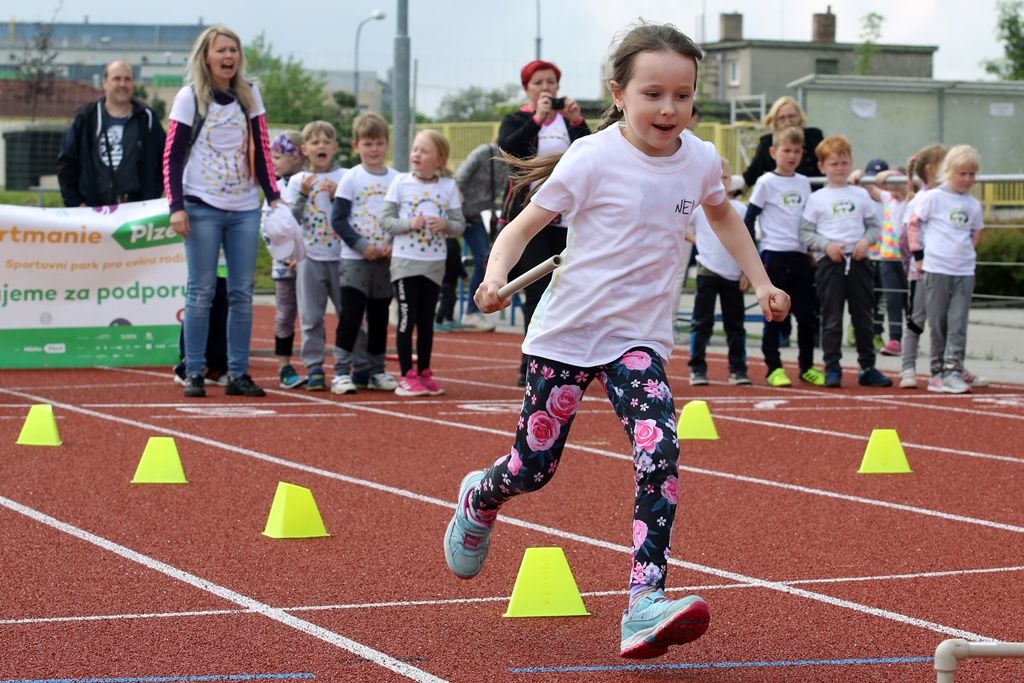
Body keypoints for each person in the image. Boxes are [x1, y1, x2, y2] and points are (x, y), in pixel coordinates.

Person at [443, 23, 790, 660]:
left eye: (683, 96)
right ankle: (480, 497)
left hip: (637, 341)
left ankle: (643, 602)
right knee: (533, 469)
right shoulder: (591, 156)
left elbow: (722, 215)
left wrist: (762, 279)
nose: (669, 109)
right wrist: (494, 278)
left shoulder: (702, 159)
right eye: (653, 93)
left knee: (661, 449)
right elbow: (519, 230)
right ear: (619, 94)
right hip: (567, 337)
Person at [164, 26, 280, 399]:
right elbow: (172, 156)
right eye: (221, 51)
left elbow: (262, 148)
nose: (229, 57)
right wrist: (176, 206)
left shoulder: (249, 95)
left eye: (234, 50)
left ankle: (238, 373)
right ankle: (194, 371)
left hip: (244, 208)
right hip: (201, 208)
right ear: (207, 57)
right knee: (200, 291)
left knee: (242, 293)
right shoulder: (189, 98)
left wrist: (274, 197)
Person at [499, 59, 591, 385]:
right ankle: (531, 362)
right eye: (538, 83)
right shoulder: (517, 120)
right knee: (536, 289)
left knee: (571, 288)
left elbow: (593, 153)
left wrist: (578, 121)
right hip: (532, 217)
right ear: (527, 88)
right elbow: (509, 149)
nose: (546, 88)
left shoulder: (569, 123)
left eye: (551, 82)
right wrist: (538, 119)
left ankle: (570, 360)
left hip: (570, 220)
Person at [799, 135, 892, 388]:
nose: (839, 168)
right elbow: (806, 233)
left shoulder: (860, 195)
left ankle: (867, 366)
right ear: (822, 167)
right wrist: (826, 246)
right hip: (831, 263)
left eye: (844, 162)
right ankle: (832, 367)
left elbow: (875, 227)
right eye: (834, 163)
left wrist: (865, 242)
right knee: (831, 318)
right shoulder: (817, 198)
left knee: (863, 316)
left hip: (860, 262)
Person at [381, 129, 466, 397]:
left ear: (439, 159)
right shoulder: (401, 183)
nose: (416, 154)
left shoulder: (448, 187)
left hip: (434, 263)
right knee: (408, 317)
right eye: (415, 149)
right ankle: (407, 375)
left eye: (424, 150)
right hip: (406, 261)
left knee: (427, 321)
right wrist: (409, 224)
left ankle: (425, 372)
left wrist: (445, 225)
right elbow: (385, 221)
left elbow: (459, 225)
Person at [744, 126, 822, 387]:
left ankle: (807, 366)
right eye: (786, 150)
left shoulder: (803, 182)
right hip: (774, 254)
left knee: (807, 316)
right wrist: (750, 258)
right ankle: (774, 368)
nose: (791, 156)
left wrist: (811, 250)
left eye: (797, 151)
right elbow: (750, 217)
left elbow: (808, 220)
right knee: (775, 314)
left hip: (799, 255)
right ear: (774, 152)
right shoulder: (766, 182)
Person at [331, 111, 400, 394]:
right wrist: (362, 246)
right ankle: (340, 372)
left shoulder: (397, 179)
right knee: (351, 316)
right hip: (354, 261)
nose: (374, 149)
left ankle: (376, 370)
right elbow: (338, 219)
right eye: (368, 144)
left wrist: (392, 245)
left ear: (387, 144)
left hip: (385, 261)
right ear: (356, 146)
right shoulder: (351, 178)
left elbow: (401, 216)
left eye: (379, 143)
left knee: (380, 319)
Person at [907, 145, 984, 394]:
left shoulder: (973, 204)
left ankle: (953, 369)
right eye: (962, 173)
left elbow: (976, 233)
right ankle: (937, 371)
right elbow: (914, 225)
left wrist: (965, 254)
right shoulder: (934, 198)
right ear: (948, 171)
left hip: (964, 271)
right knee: (938, 321)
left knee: (958, 322)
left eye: (972, 174)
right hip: (937, 269)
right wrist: (919, 256)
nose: (968, 179)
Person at [280, 120, 348, 392]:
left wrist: (336, 198)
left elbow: (352, 217)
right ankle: (315, 366)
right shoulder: (297, 181)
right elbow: (289, 221)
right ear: (304, 149)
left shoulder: (346, 177)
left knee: (350, 315)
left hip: (343, 257)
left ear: (335, 147)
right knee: (311, 317)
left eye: (326, 141)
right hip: (310, 257)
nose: (321, 146)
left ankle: (349, 365)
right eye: (315, 142)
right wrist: (303, 196)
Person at [57, 60, 166, 208]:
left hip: (138, 214)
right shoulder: (87, 118)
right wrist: (75, 203)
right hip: (92, 214)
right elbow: (67, 163)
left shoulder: (147, 118)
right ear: (105, 82)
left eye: (127, 79)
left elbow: (165, 160)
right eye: (117, 79)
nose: (122, 84)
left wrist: (156, 198)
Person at [688, 157, 752, 386]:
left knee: (735, 324)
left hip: (733, 274)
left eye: (725, 177)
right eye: (716, 177)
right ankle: (697, 368)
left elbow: (749, 241)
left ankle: (738, 369)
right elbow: (678, 226)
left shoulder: (741, 209)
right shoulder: (698, 208)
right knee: (701, 322)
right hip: (707, 271)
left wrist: (747, 273)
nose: (721, 181)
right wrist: (697, 241)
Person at [852, 159, 910, 358]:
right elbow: (870, 188)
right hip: (888, 257)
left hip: (906, 259)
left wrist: (894, 176)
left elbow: (908, 186)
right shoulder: (887, 198)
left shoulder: (910, 200)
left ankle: (911, 338)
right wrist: (860, 174)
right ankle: (895, 338)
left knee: (908, 301)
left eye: (896, 186)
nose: (891, 190)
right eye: (889, 186)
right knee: (892, 299)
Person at [898, 144, 945, 389]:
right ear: (931, 169)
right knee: (916, 320)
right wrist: (915, 264)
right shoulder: (921, 199)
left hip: (946, 271)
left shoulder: (949, 198)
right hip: (922, 271)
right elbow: (904, 237)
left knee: (945, 320)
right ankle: (908, 367)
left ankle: (949, 366)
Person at [263, 131, 307, 389]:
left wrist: (304, 254)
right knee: (285, 314)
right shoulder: (273, 188)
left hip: (312, 262)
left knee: (313, 315)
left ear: (297, 156)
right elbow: (267, 226)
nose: (273, 161)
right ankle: (284, 366)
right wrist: (286, 255)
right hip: (283, 266)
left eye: (278, 156)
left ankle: (315, 366)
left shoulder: (310, 183)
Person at [455, 141, 509, 332]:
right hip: (454, 214)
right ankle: (438, 311)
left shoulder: (514, 162)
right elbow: (459, 179)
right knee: (443, 264)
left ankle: (471, 313)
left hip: (475, 215)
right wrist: (453, 212)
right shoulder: (483, 153)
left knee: (483, 260)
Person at [741, 96, 824, 189]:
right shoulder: (767, 143)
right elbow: (753, 173)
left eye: (791, 116)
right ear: (775, 120)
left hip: (812, 194)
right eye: (782, 118)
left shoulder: (813, 137)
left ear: (800, 116)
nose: (787, 122)